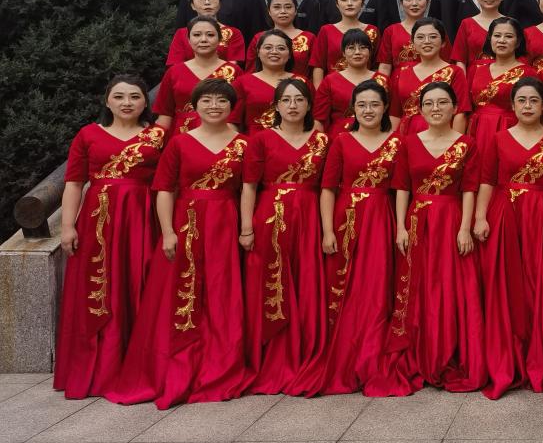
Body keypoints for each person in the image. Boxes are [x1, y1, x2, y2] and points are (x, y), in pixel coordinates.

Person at [106, 79, 248, 409]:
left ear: (232, 107)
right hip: (187, 222)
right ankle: (178, 362)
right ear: (194, 106)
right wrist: (168, 231)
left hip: (225, 223)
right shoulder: (180, 143)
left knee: (221, 292)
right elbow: (164, 190)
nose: (214, 106)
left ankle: (219, 364)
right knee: (180, 293)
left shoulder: (244, 144)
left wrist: (245, 228)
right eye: (206, 100)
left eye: (222, 101)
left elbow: (249, 190)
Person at [471, 78, 543, 396]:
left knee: (541, 283)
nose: (527, 106)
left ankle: (539, 353)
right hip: (504, 215)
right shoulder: (498, 139)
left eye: (533, 100)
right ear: (513, 105)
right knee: (507, 284)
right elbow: (486, 181)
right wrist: (480, 217)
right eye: (521, 100)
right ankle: (508, 356)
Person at [370, 81, 485, 395]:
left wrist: (465, 228)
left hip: (451, 220)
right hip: (417, 221)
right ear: (419, 110)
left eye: (443, 103)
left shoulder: (467, 144)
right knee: (418, 287)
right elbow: (402, 187)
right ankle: (419, 352)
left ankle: (449, 352)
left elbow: (470, 189)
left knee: (450, 286)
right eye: (429, 103)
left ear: (454, 108)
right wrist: (400, 227)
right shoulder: (408, 143)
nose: (436, 108)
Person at [54, 76, 165, 399]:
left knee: (140, 282)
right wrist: (67, 226)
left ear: (146, 102)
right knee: (99, 287)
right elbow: (74, 183)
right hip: (98, 219)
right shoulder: (88, 135)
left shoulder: (159, 135)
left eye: (134, 96)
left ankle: (138, 364)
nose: (127, 103)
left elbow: (169, 183)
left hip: (143, 217)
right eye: (119, 96)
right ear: (107, 101)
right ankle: (97, 367)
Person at [293, 81, 401, 396]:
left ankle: (371, 355)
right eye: (362, 105)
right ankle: (344, 355)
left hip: (382, 218)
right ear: (353, 108)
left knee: (377, 288)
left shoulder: (397, 142)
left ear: (385, 108)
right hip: (346, 220)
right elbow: (327, 188)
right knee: (346, 287)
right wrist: (327, 230)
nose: (368, 111)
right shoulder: (340, 141)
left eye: (375, 104)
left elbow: (402, 188)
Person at [238, 79, 330, 395]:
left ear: (309, 105)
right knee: (272, 283)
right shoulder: (261, 140)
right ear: (276, 105)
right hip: (270, 218)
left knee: (306, 282)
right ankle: (272, 359)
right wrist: (246, 227)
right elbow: (249, 186)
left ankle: (304, 353)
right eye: (286, 100)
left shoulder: (322, 141)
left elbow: (328, 188)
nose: (293, 105)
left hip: (309, 217)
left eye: (299, 99)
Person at [154, 16, 241, 136]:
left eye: (210, 35)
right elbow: (165, 115)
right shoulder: (174, 72)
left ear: (220, 39)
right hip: (182, 135)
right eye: (197, 35)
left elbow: (237, 115)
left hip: (222, 135)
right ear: (189, 40)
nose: (203, 39)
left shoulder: (234, 71)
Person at [467, 17, 537, 154]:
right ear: (490, 39)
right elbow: (466, 110)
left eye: (509, 36)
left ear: (518, 42)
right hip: (477, 131)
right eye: (497, 35)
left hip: (511, 131)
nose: (502, 40)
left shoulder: (528, 73)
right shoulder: (476, 69)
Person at [389, 18, 469, 134]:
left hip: (442, 134)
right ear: (413, 43)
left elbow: (460, 113)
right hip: (406, 134)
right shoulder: (402, 72)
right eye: (420, 37)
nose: (427, 41)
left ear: (443, 42)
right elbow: (395, 114)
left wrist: (455, 142)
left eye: (433, 37)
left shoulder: (454, 72)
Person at [313, 29, 388, 132]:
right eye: (351, 48)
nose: (357, 52)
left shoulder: (383, 80)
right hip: (338, 137)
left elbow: (391, 116)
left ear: (370, 52)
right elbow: (319, 120)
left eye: (363, 48)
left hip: (375, 137)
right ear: (343, 53)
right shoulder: (330, 81)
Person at [311, 0, 380, 84]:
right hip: (333, 87)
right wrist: (320, 92)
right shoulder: (326, 31)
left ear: (362, 3)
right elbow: (318, 66)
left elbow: (376, 65)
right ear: (337, 4)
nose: (349, 3)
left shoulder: (372, 31)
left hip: (365, 88)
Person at [167, 0, 246, 65]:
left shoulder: (233, 33)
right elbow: (175, 65)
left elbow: (233, 66)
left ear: (220, 4)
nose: (207, 2)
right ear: (192, 5)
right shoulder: (182, 33)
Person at [232, 30, 294, 134]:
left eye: (281, 48)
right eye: (268, 47)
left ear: (289, 54)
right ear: (258, 52)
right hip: (253, 141)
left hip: (292, 141)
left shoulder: (301, 81)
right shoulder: (242, 82)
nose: (274, 52)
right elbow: (232, 122)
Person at [246, 0, 318, 78]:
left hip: (300, 85)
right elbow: (250, 72)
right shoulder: (259, 38)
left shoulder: (309, 38)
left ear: (295, 11)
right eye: (277, 7)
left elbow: (317, 70)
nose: (283, 11)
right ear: (269, 11)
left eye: (288, 7)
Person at [376, 0, 442, 75]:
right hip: (399, 82)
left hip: (432, 81)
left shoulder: (438, 29)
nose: (414, 3)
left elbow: (446, 63)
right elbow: (384, 67)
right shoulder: (391, 31)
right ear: (401, 3)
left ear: (428, 1)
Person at [449, 0, 510, 70]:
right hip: (474, 77)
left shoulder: (511, 24)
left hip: (506, 75)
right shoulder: (467, 24)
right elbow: (460, 61)